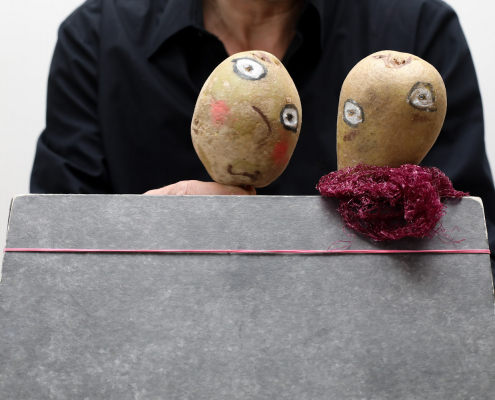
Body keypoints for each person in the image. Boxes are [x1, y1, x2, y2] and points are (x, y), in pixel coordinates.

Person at [31, 0, 495, 267]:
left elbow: (474, 252)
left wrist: (391, 223)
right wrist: (144, 232)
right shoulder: (95, 38)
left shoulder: (418, 29)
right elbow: (51, 258)